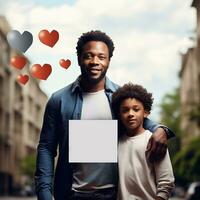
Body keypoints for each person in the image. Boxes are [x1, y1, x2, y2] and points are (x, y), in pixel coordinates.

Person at [35, 30, 175, 200]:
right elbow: (46, 148)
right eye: (88, 56)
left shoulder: (120, 96)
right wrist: (44, 193)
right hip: (72, 194)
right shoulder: (59, 100)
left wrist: (161, 129)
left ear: (109, 61)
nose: (95, 62)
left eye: (101, 57)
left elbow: (139, 120)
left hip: (113, 194)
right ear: (79, 58)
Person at [111, 83, 175, 200]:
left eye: (136, 109)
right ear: (119, 115)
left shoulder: (155, 141)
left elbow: (166, 182)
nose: (130, 114)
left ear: (145, 112)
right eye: (125, 110)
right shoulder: (115, 143)